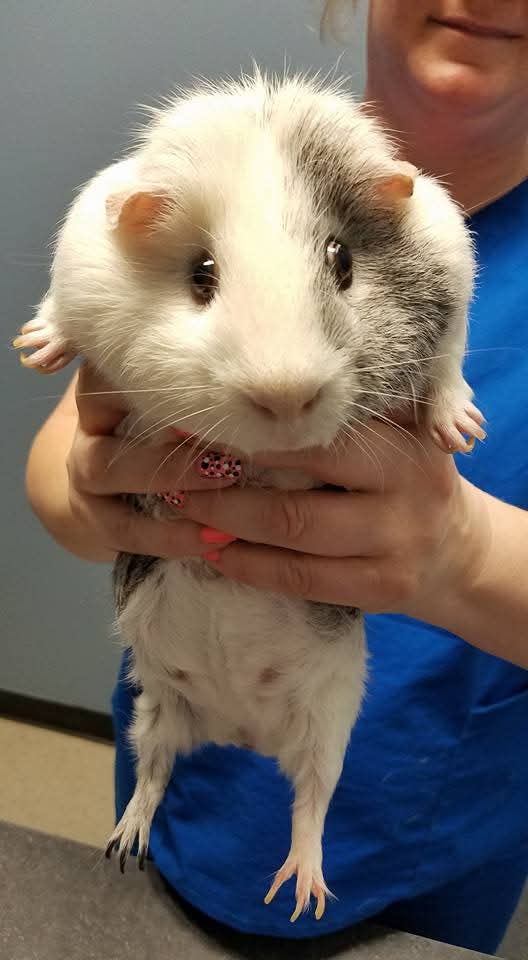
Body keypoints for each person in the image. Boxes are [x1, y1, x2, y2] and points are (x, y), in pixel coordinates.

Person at [24, 1, 528, 953]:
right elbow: (61, 473)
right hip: (182, 792)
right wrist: (92, 480)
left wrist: (462, 554)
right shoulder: (215, 152)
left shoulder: (428, 249)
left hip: (432, 860)